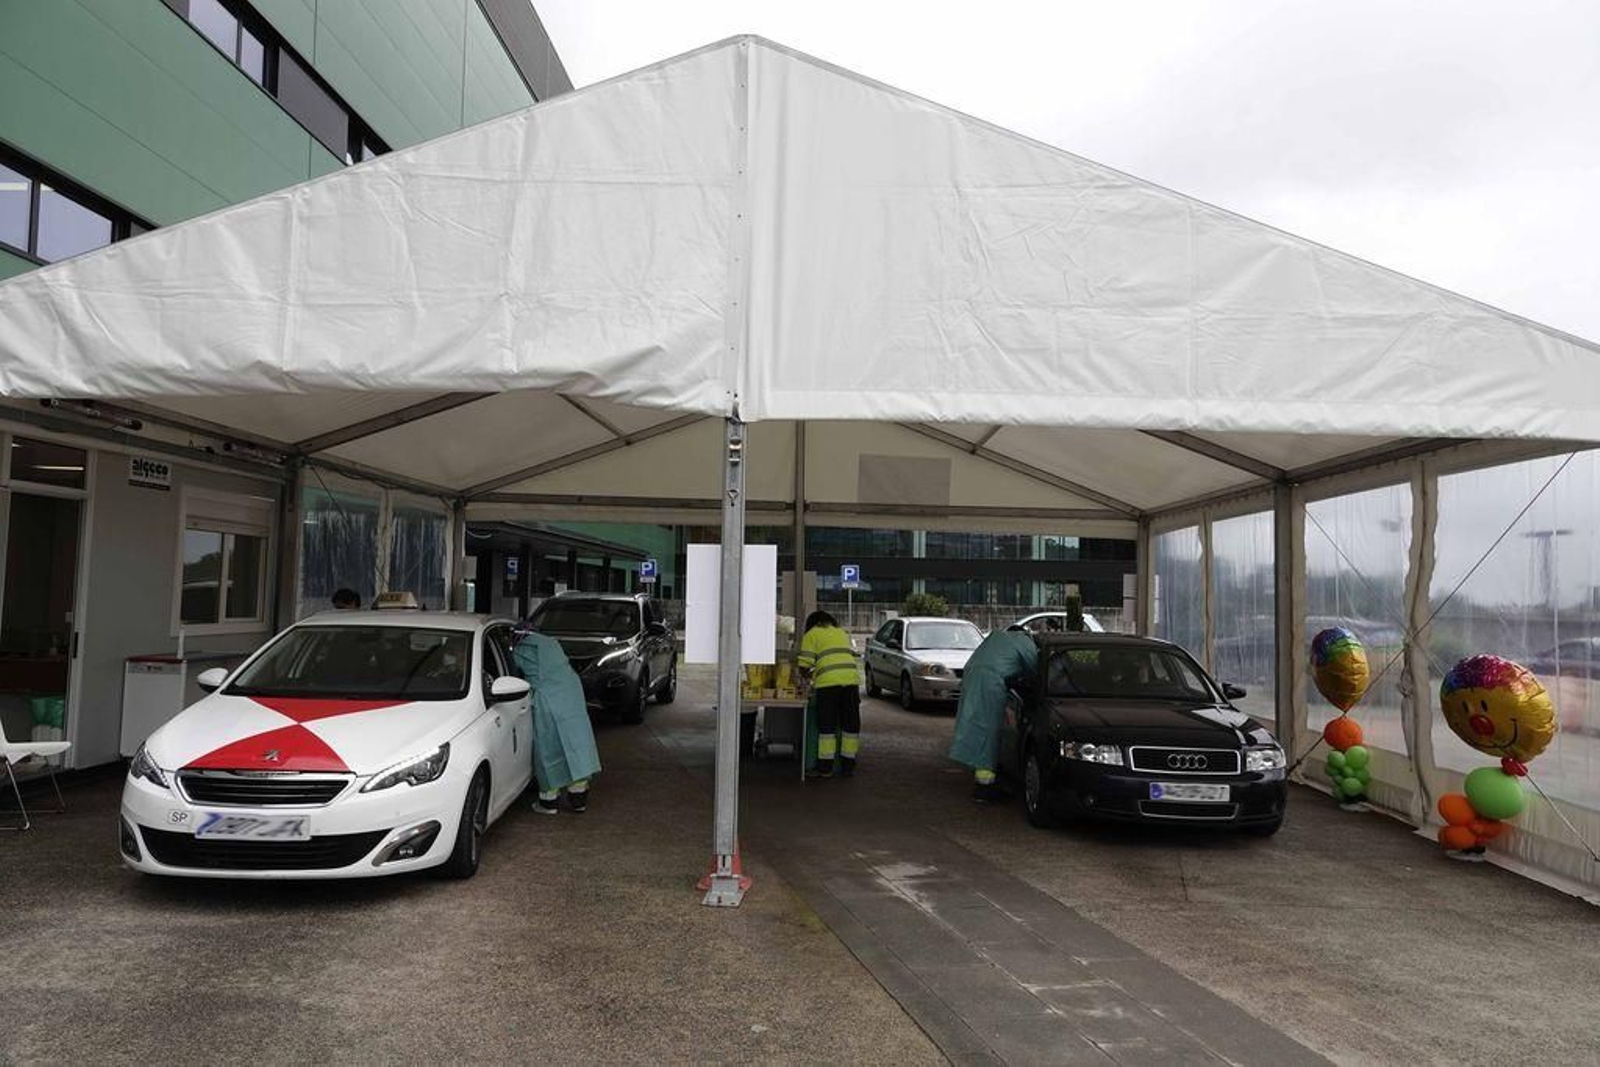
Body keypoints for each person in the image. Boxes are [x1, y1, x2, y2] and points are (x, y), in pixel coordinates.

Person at [512, 630, 601, 814]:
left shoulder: (521, 651)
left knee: (549, 747)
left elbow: (515, 673)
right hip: (571, 694)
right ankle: (579, 799)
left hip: (547, 700)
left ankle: (549, 801)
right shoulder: (550, 644)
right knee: (577, 743)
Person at [950, 628, 1040, 803]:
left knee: (976, 726)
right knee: (988, 732)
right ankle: (985, 787)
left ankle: (985, 777)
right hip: (990, 681)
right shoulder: (1024, 642)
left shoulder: (997, 637)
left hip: (972, 676)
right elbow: (1035, 671)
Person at [797, 610, 862, 778]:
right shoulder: (840, 632)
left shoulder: (812, 634)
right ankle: (848, 766)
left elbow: (804, 664)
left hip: (828, 685)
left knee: (827, 726)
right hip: (851, 681)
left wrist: (806, 678)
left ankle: (825, 768)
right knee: (850, 725)